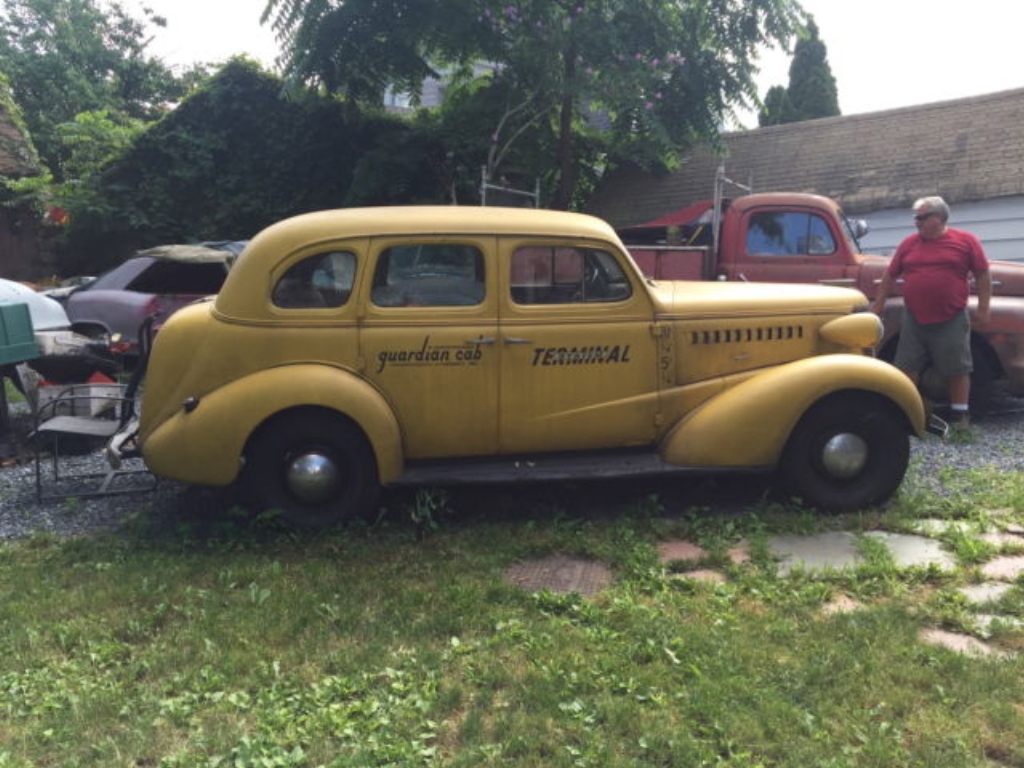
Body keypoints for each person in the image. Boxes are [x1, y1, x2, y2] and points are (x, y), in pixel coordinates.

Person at [871, 196, 991, 429]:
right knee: (906, 366)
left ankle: (960, 416)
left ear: (939, 217)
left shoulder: (966, 241)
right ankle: (905, 414)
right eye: (916, 218)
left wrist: (984, 308)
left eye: (922, 217)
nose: (917, 222)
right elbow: (890, 275)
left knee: (957, 367)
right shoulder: (909, 244)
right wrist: (878, 304)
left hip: (952, 316)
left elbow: (983, 274)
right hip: (914, 316)